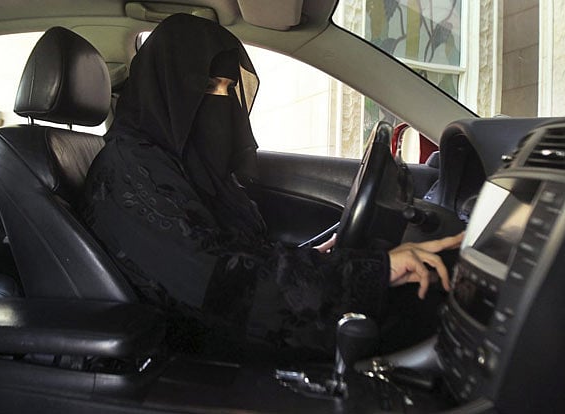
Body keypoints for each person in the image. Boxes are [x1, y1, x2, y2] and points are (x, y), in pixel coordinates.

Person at [80, 13, 463, 361]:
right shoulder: (128, 170)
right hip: (194, 359)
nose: (224, 103)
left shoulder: (179, 164)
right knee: (420, 316)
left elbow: (231, 252)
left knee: (419, 298)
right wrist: (370, 273)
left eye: (230, 88)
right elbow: (217, 282)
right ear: (165, 88)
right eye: (209, 86)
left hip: (224, 326)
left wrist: (318, 261)